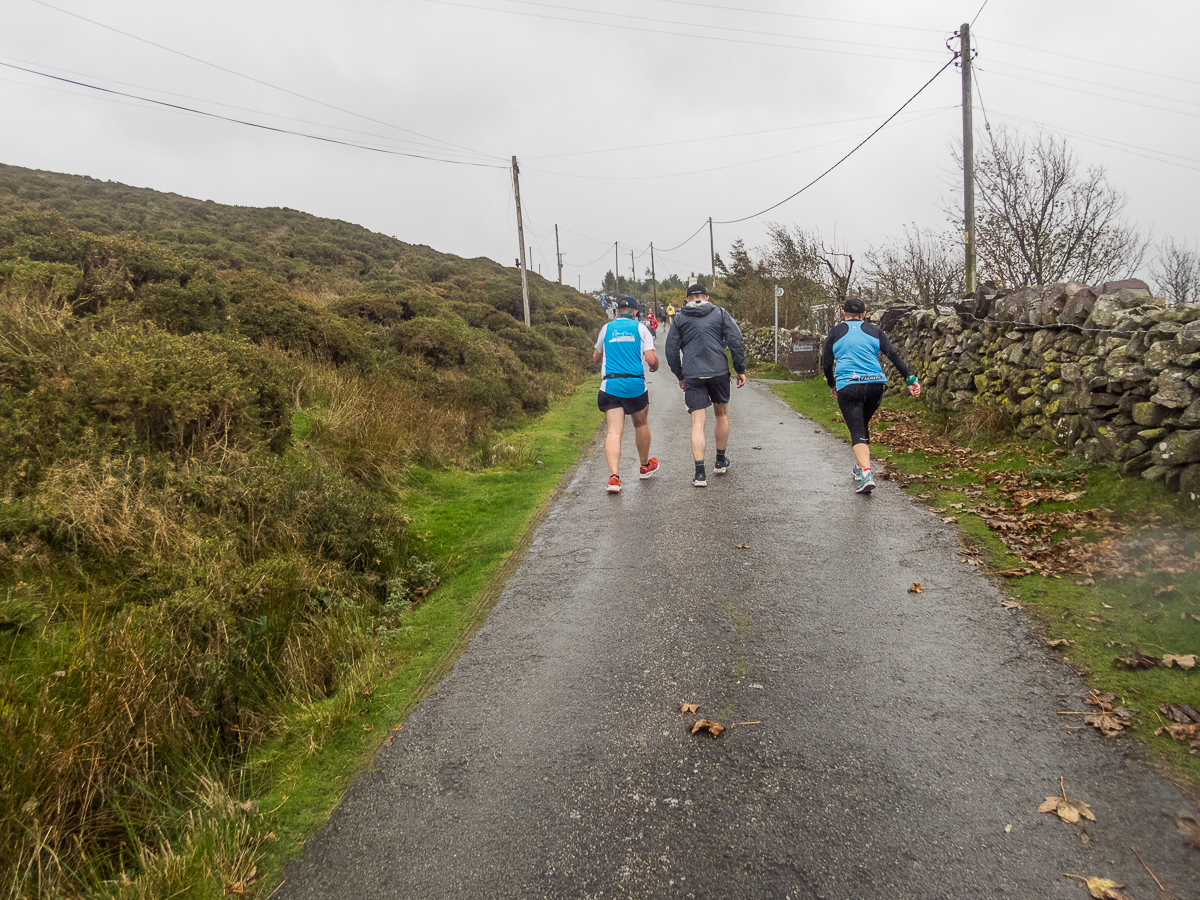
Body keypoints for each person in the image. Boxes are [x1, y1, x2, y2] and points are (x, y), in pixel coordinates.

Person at [821, 297, 921, 494]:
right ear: (864, 314)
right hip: (875, 385)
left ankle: (866, 473)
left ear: (843, 313)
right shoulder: (875, 331)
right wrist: (910, 379)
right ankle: (860, 466)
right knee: (863, 423)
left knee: (857, 429)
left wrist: (832, 384)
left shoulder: (836, 332)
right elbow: (892, 354)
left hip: (849, 385)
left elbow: (826, 363)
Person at [664, 283, 746, 487]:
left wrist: (679, 374)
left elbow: (671, 350)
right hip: (718, 372)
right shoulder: (720, 313)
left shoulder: (680, 318)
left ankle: (700, 473)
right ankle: (720, 461)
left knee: (697, 423)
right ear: (706, 298)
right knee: (722, 415)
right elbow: (736, 340)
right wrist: (740, 368)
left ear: (687, 300)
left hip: (693, 374)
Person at [594, 296, 660, 493]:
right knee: (640, 424)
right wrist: (655, 365)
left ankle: (614, 478)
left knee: (614, 431)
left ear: (616, 312)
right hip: (635, 384)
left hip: (611, 384)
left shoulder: (606, 328)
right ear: (634, 312)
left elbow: (596, 357)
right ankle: (644, 466)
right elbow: (650, 358)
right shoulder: (641, 329)